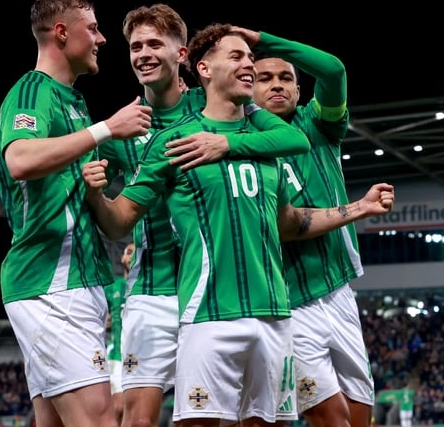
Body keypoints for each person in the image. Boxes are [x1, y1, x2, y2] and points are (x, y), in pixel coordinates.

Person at [84, 23, 393, 426]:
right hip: (211, 307)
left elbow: (289, 214)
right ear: (204, 69)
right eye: (241, 59)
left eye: (255, 61)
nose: (251, 65)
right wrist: (94, 193)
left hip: (279, 310)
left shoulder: (274, 139)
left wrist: (358, 208)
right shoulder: (173, 140)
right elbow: (120, 217)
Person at [97, 4, 315, 427]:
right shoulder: (127, 126)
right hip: (154, 286)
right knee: (140, 417)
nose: (143, 53)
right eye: (135, 46)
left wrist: (225, 145)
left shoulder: (217, 104)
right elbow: (115, 211)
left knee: (233, 413)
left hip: (221, 287)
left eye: (154, 44)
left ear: (184, 58)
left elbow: (292, 138)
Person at [0, 0, 152, 427]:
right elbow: (20, 159)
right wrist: (107, 129)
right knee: (101, 418)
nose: (102, 38)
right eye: (94, 28)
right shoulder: (31, 91)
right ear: (62, 32)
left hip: (77, 280)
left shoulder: (75, 104)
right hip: (49, 281)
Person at [230, 26, 394, 427]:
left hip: (339, 290)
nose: (277, 85)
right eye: (264, 78)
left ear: (300, 91)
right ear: (249, 89)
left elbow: (334, 70)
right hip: (288, 300)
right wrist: (358, 208)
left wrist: (262, 42)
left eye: (286, 78)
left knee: (360, 416)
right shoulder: (242, 143)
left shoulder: (320, 127)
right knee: (329, 417)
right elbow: (285, 227)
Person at [106, 242, 132, 424]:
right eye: (129, 252)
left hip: (137, 354)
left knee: (132, 409)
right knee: (118, 406)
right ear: (122, 257)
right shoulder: (114, 286)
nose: (131, 256)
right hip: (116, 353)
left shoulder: (145, 287)